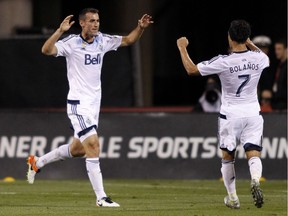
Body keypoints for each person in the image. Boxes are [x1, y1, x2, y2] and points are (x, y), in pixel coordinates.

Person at [26, 8, 153, 207]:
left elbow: (128, 40)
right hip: (78, 105)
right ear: (82, 23)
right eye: (92, 21)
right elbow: (46, 50)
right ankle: (101, 198)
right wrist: (60, 31)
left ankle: (37, 162)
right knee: (93, 145)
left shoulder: (102, 40)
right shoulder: (71, 43)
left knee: (78, 149)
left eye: (98, 20)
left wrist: (140, 28)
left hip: (93, 106)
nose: (96, 24)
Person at [176, 19, 269, 209]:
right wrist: (248, 42)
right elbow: (259, 54)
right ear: (246, 37)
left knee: (227, 156)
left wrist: (182, 48)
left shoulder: (223, 61)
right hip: (252, 112)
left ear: (230, 37)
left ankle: (233, 198)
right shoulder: (260, 59)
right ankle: (255, 180)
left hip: (230, 115)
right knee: (253, 153)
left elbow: (191, 70)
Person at [271, 38, 287, 111]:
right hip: (278, 106)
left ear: (286, 49)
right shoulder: (280, 65)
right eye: (276, 49)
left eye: (279, 49)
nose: (276, 52)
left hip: (284, 108)